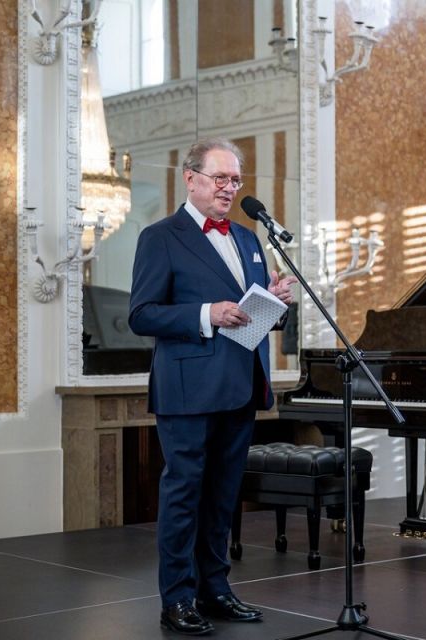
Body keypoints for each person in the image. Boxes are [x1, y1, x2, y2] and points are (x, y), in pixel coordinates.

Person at [129, 137, 297, 636]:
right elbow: (142, 315)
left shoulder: (247, 238)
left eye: (236, 180)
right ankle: (177, 598)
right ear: (192, 178)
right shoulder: (160, 236)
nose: (229, 188)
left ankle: (216, 589)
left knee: (224, 495)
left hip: (240, 383)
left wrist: (274, 299)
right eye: (220, 178)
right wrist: (208, 314)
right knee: (184, 494)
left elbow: (252, 314)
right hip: (187, 389)